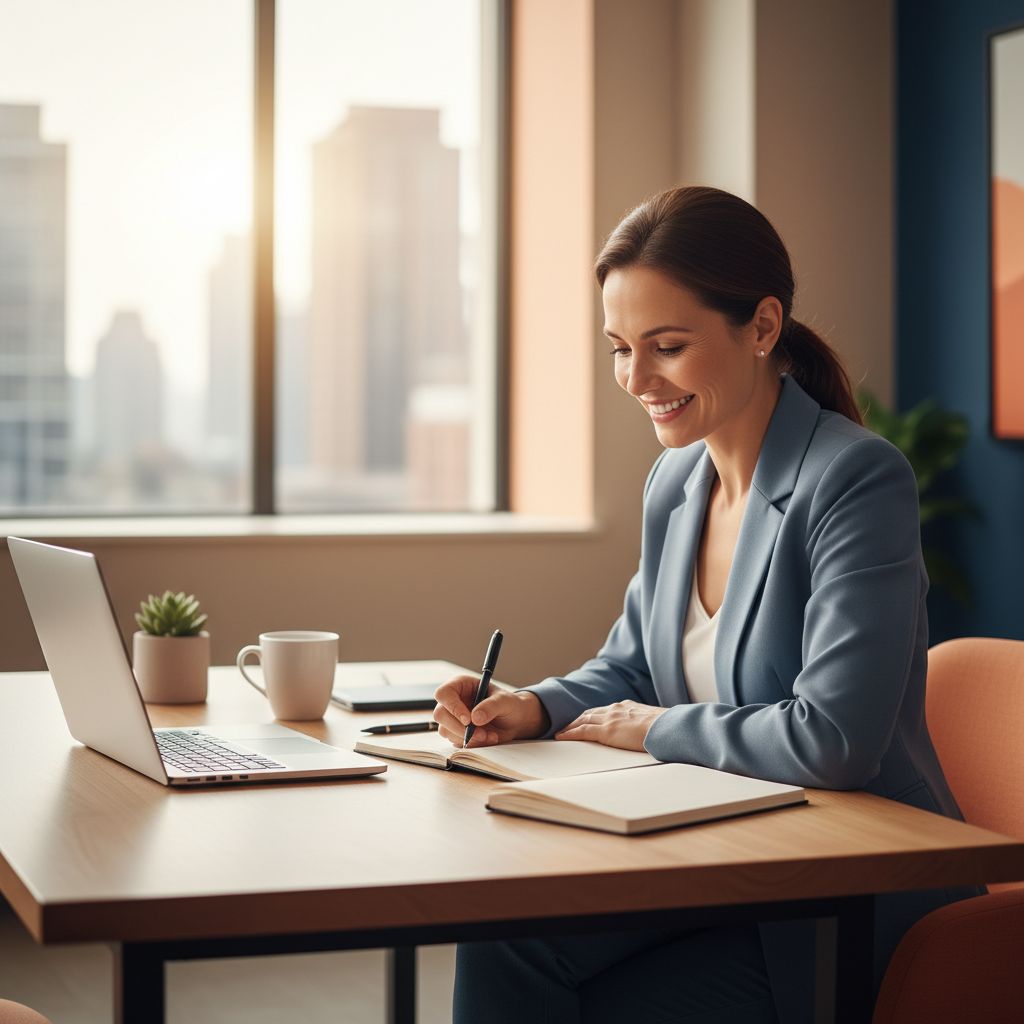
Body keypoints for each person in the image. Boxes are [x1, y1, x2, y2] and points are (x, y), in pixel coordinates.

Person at [433, 185, 972, 1024]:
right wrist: (535, 707)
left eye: (668, 346)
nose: (637, 379)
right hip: (718, 855)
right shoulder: (677, 479)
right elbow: (635, 663)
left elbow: (832, 741)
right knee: (502, 933)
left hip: (840, 890)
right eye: (619, 348)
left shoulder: (855, 480)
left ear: (762, 326)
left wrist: (650, 728)